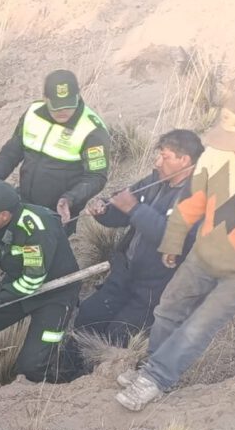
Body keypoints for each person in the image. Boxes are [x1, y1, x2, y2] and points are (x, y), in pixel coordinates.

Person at [116, 90, 235, 411]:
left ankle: (155, 378)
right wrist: (173, 240)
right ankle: (153, 368)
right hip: (204, 254)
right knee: (167, 309)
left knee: (200, 324)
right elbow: (193, 202)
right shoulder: (215, 154)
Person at [73, 129, 204, 348]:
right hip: (124, 273)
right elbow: (121, 211)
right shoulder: (156, 180)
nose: (157, 162)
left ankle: (102, 379)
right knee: (88, 316)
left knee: (118, 335)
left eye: (165, 157)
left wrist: (135, 208)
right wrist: (104, 210)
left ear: (185, 160)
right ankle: (67, 376)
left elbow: (175, 239)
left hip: (155, 287)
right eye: (158, 154)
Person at [0, 180, 81, 382]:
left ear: (4, 215)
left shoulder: (36, 227)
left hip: (55, 293)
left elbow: (32, 281)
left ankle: (68, 381)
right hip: (15, 287)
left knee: (31, 368)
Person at [0, 69, 111, 232]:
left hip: (58, 211)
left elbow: (96, 177)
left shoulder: (92, 130)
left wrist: (69, 199)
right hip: (24, 200)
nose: (63, 111)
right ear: (45, 98)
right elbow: (11, 152)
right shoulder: (32, 113)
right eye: (57, 106)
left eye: (69, 105)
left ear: (78, 96)